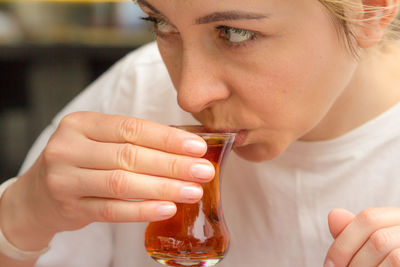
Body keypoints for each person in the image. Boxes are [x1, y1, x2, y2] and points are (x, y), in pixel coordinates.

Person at [1, 0, 400, 266]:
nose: (189, 96)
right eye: (161, 24)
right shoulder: (135, 93)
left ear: (372, 9)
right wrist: (20, 218)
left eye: (236, 33)